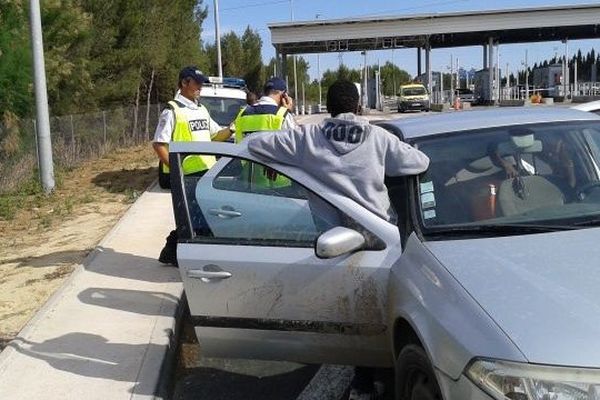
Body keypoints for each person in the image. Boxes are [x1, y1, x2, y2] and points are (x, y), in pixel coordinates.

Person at [246, 80, 430, 399]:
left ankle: (361, 382)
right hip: (380, 235)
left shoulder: (306, 138)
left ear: (328, 107)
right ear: (358, 106)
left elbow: (257, 145)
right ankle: (379, 370)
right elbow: (419, 163)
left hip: (335, 239)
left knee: (350, 309)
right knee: (386, 306)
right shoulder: (378, 138)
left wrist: (279, 161)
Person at [153, 66, 233, 266]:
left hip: (206, 172)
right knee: (192, 218)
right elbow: (159, 144)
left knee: (199, 216)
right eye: (197, 83)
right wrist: (175, 169)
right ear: (184, 83)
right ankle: (179, 254)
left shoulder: (201, 109)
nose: (200, 87)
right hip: (185, 175)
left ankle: (174, 253)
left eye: (201, 83)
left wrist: (231, 128)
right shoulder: (172, 110)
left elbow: (215, 136)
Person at [233, 76, 296, 144]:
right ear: (283, 95)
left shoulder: (242, 113)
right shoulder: (283, 115)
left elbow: (237, 142)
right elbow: (294, 143)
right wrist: (288, 111)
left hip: (244, 154)